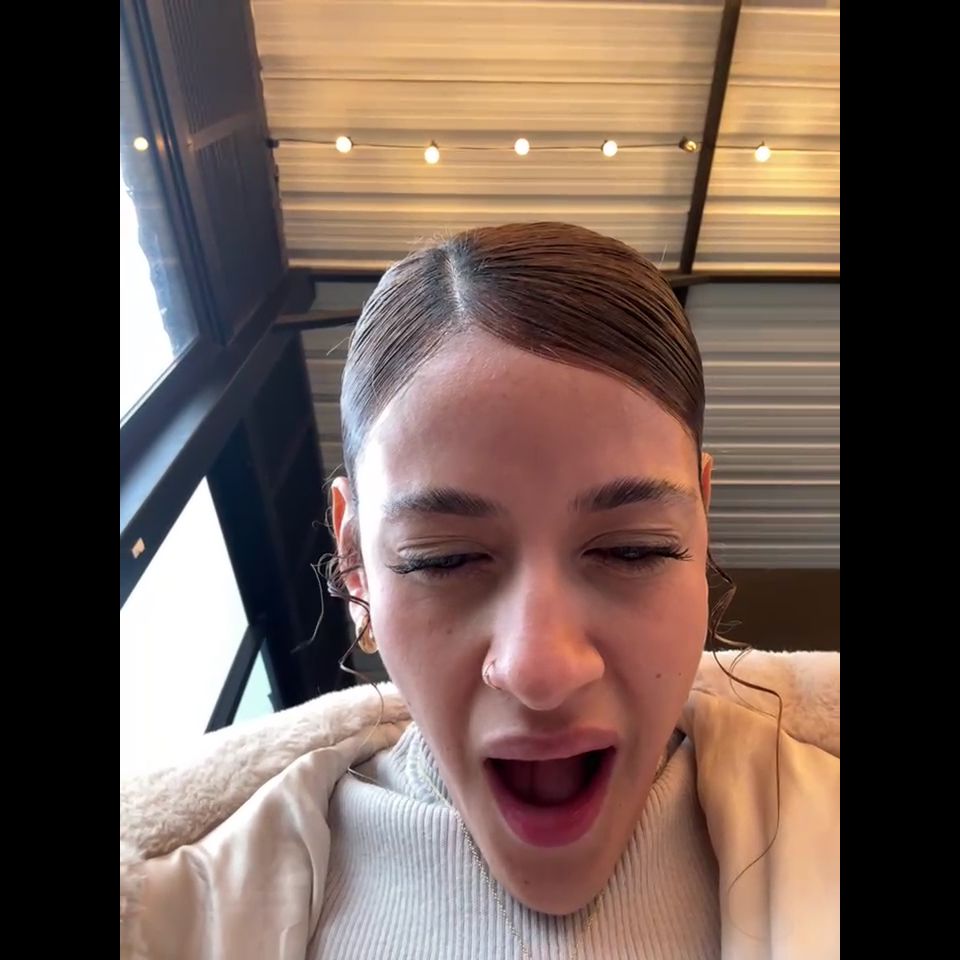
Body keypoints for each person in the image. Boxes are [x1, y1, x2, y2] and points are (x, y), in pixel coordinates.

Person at [120, 222, 839, 960]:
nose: (541, 670)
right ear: (355, 558)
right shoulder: (171, 922)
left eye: (634, 549)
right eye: (445, 559)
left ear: (702, 520)